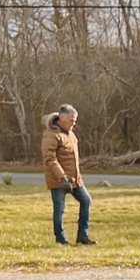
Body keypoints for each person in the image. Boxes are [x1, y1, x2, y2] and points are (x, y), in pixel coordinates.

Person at [40, 104, 95, 246]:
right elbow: (50, 159)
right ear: (62, 118)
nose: (74, 123)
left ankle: (82, 235)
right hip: (58, 180)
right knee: (59, 209)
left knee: (86, 201)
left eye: (75, 120)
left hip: (75, 179)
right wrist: (62, 178)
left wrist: (76, 178)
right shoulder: (51, 135)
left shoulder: (70, 134)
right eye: (71, 120)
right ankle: (60, 239)